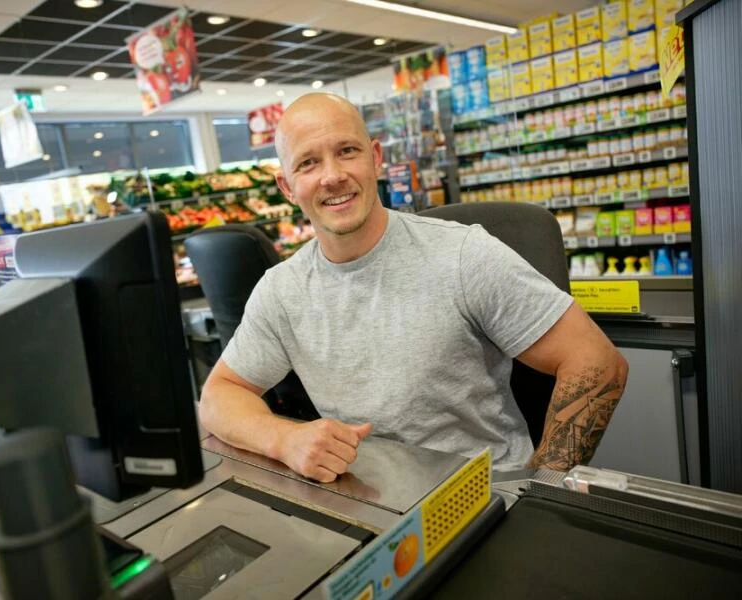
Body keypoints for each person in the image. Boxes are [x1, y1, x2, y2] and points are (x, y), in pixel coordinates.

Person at [200, 93, 628, 482]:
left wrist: (543, 489)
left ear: (375, 158)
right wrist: (284, 440)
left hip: (483, 499)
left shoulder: (463, 255)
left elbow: (597, 362)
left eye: (346, 151)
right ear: (287, 187)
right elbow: (221, 393)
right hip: (367, 503)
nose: (332, 176)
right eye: (308, 163)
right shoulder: (282, 290)